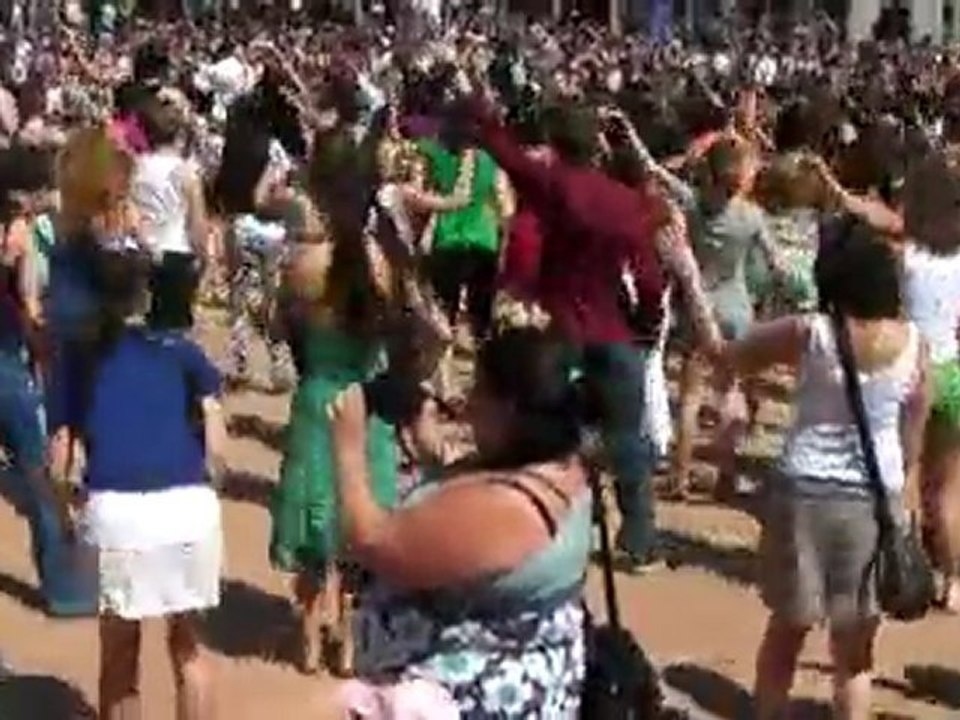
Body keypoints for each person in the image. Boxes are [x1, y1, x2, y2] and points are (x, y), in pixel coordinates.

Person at [718, 226, 929, 720]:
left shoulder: (811, 332)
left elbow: (740, 353)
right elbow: (912, 431)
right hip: (875, 499)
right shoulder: (914, 345)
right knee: (855, 647)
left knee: (788, 627)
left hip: (804, 490)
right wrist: (906, 495)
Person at [332, 327, 590, 717]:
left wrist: (348, 446)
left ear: (509, 408)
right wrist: (435, 457)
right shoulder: (563, 468)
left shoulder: (509, 507)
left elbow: (372, 543)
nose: (467, 406)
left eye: (479, 392)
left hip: (464, 696)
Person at [471, 99, 666, 570]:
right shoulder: (626, 202)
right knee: (627, 439)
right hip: (614, 329)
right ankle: (638, 538)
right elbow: (647, 276)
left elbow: (509, 156)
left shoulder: (555, 184)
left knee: (548, 431)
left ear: (557, 143)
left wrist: (483, 114)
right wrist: (648, 317)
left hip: (562, 325)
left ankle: (542, 526)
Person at [55, 251, 226, 720]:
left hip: (117, 512)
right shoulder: (179, 349)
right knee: (190, 647)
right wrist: (211, 477)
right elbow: (215, 428)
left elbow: (60, 454)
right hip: (187, 506)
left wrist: (66, 512)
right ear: (143, 295)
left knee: (119, 652)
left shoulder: (79, 359)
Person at [269, 171, 397, 675]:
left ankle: (306, 633)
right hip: (366, 400)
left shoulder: (303, 266)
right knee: (359, 517)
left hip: (317, 394)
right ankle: (346, 639)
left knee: (309, 516)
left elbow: (278, 327)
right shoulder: (382, 266)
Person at [132, 96, 208, 332]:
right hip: (176, 253)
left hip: (139, 251)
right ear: (180, 135)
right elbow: (197, 224)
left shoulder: (135, 168)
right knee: (173, 331)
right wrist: (203, 257)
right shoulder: (186, 172)